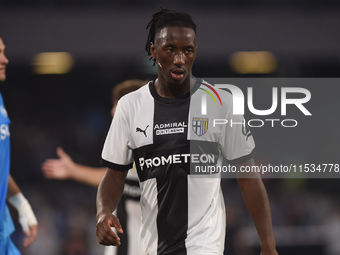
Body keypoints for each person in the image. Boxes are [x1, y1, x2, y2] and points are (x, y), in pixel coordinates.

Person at [96, 7, 278, 255]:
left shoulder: (221, 103)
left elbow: (248, 177)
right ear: (153, 50)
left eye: (187, 50)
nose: (180, 59)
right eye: (170, 49)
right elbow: (114, 176)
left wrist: (268, 246)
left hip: (204, 246)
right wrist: (103, 212)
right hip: (152, 248)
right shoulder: (131, 106)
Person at [41, 79, 146, 255]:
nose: (113, 113)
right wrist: (74, 171)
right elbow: (114, 177)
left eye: (117, 108)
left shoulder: (160, 151)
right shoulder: (124, 148)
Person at [0, 35, 38, 254]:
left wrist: (22, 205)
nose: (5, 60)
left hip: (3, 228)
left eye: (3, 52)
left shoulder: (0, 100)